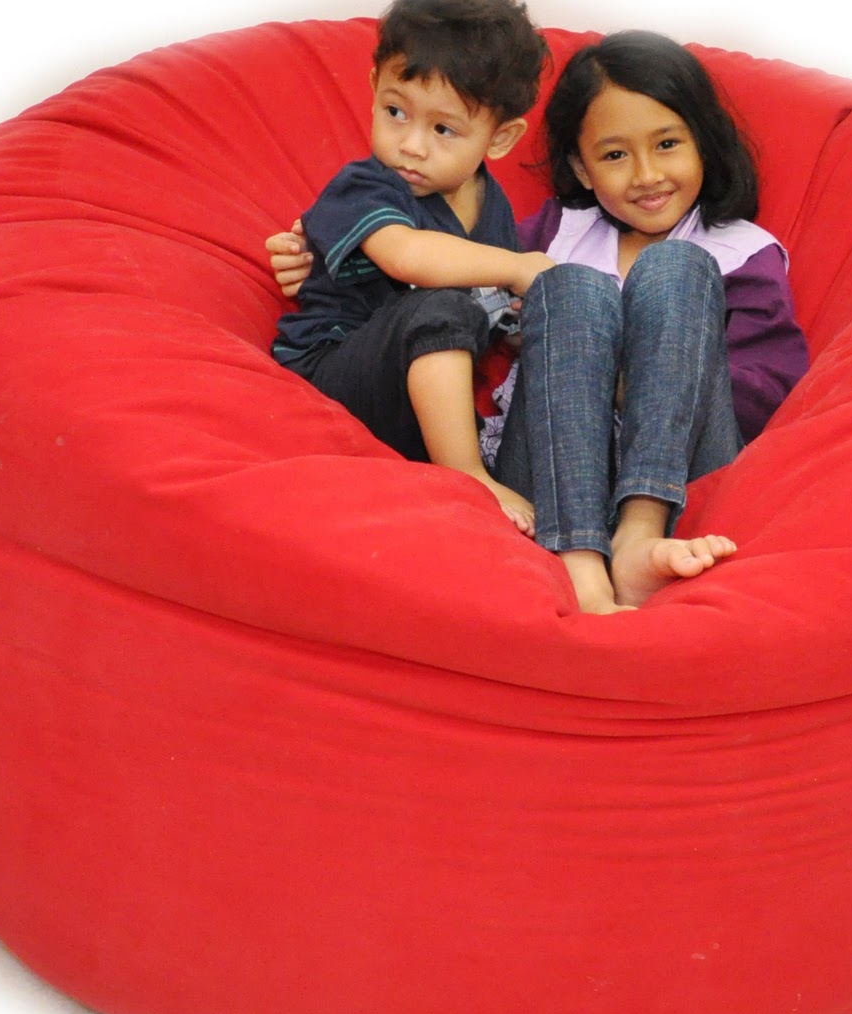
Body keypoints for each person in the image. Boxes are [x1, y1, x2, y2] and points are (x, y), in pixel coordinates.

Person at [270, 31, 809, 613]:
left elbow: (763, 391)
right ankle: (581, 560)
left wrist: (625, 377)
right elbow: (450, 276)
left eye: (668, 144)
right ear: (582, 167)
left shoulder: (742, 254)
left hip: (682, 474)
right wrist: (329, 255)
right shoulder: (555, 235)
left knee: (675, 266)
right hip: (553, 482)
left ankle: (639, 534)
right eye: (615, 155)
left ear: (704, 142)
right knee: (569, 286)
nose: (646, 174)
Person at [270, 0, 555, 534]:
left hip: (420, 405)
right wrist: (519, 267)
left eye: (444, 128)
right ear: (374, 86)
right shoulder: (364, 186)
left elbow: (490, 304)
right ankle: (467, 475)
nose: (412, 145)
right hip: (336, 373)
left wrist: (520, 320)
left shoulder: (490, 203)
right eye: (396, 112)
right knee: (441, 308)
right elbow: (406, 256)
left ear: (499, 139)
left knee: (485, 317)